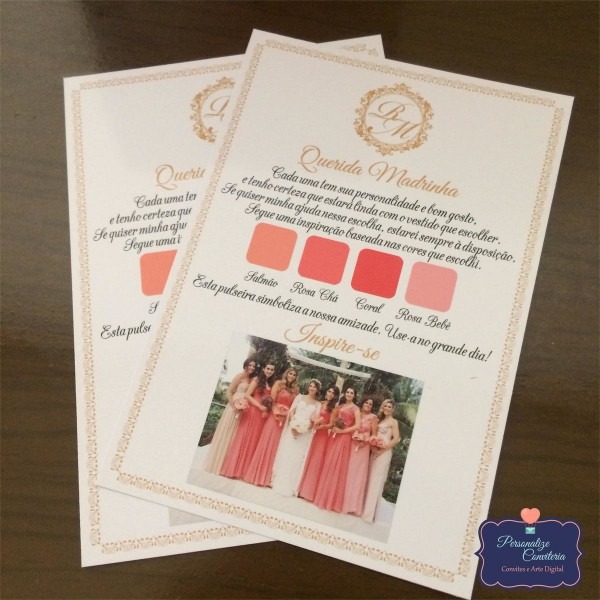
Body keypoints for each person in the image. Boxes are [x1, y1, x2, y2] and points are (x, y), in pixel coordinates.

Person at [243, 367, 299, 487]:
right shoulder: (278, 383)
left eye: (294, 375)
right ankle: (256, 475)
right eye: (290, 373)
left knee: (277, 446)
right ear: (286, 374)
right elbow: (272, 400)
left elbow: (294, 406)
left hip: (285, 419)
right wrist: (276, 412)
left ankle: (269, 477)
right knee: (267, 442)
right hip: (274, 416)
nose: (292, 376)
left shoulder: (295, 389)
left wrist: (287, 415)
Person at [220, 361, 276, 479]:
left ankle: (243, 471)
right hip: (253, 411)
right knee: (244, 438)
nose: (269, 371)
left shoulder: (270, 383)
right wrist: (259, 406)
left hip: (261, 416)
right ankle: (233, 470)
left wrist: (266, 409)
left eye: (272, 369)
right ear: (263, 369)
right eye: (268, 368)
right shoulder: (256, 380)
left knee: (253, 441)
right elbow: (247, 395)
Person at [203, 357, 256, 474]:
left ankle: (226, 465)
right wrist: (234, 405)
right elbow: (229, 391)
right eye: (250, 365)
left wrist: (243, 406)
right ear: (246, 365)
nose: (252, 368)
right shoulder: (240, 376)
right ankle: (216, 463)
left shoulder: (251, 379)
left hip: (244, 407)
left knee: (235, 434)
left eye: (254, 366)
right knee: (227, 431)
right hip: (234, 405)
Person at [312, 385, 361, 513]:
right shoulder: (340, 406)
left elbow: (357, 425)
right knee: (329, 464)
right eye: (347, 392)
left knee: (337, 466)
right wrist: (334, 427)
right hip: (334, 437)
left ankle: (330, 500)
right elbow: (333, 420)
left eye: (351, 392)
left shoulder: (355, 409)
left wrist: (342, 431)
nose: (349, 394)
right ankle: (321, 496)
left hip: (344, 438)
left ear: (354, 395)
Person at [271, 379, 322, 496]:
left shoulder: (318, 404)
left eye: (314, 387)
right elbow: (291, 412)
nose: (312, 388)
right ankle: (278, 481)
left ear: (317, 390)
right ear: (308, 387)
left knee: (297, 458)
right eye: (311, 386)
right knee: (287, 454)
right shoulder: (299, 397)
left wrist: (304, 429)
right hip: (292, 428)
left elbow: (314, 420)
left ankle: (291, 486)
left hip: (304, 433)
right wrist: (293, 424)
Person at [297, 384, 339, 502]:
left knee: (316, 461)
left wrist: (322, 426)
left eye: (333, 393)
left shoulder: (334, 408)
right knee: (308, 457)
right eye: (329, 391)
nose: (330, 394)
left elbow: (331, 424)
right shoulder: (321, 403)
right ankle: (301, 488)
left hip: (322, 436)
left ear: (335, 396)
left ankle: (309, 492)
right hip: (313, 433)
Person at [362, 399, 401, 522]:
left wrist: (382, 450)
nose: (387, 408)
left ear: (392, 409)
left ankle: (369, 515)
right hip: (375, 451)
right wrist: (374, 447)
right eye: (385, 406)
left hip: (384, 453)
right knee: (370, 478)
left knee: (376, 480)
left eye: (389, 407)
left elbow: (396, 439)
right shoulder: (381, 420)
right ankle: (364, 509)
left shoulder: (393, 422)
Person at [342, 397, 378, 515]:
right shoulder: (357, 413)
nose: (368, 405)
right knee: (348, 471)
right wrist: (355, 437)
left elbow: (374, 435)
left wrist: (364, 441)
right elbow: (351, 427)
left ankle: (353, 505)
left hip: (364, 448)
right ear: (362, 403)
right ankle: (343, 502)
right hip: (353, 444)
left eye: (370, 404)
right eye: (366, 402)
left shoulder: (373, 418)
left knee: (358, 474)